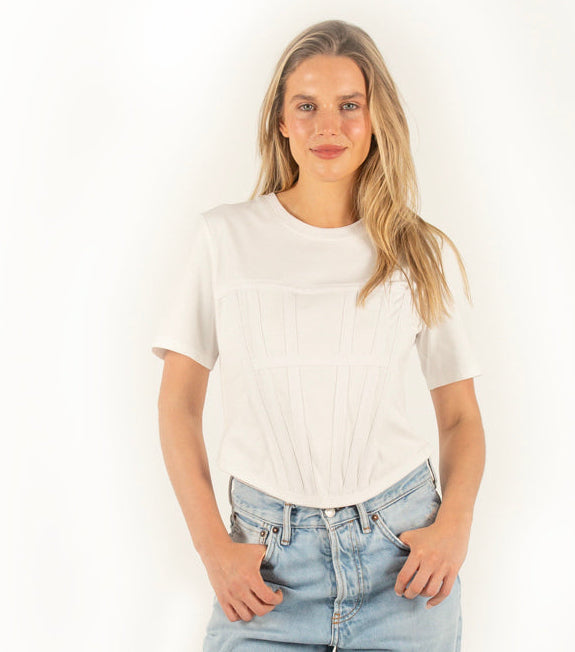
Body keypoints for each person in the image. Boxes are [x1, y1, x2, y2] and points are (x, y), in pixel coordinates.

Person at [151, 19, 485, 652]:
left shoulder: (418, 251)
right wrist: (213, 548)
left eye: (349, 105)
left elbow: (461, 417)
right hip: (266, 570)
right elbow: (178, 405)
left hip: (403, 562)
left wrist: (455, 528)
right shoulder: (224, 239)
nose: (328, 126)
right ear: (281, 121)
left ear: (376, 118)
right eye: (306, 106)